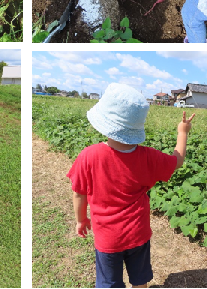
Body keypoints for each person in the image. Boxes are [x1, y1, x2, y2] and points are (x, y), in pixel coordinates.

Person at [67, 83, 195, 288]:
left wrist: (81, 220)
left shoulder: (88, 156)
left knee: (109, 283)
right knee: (140, 280)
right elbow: (177, 161)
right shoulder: (148, 157)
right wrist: (183, 131)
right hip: (138, 232)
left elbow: (79, 194)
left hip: (107, 239)